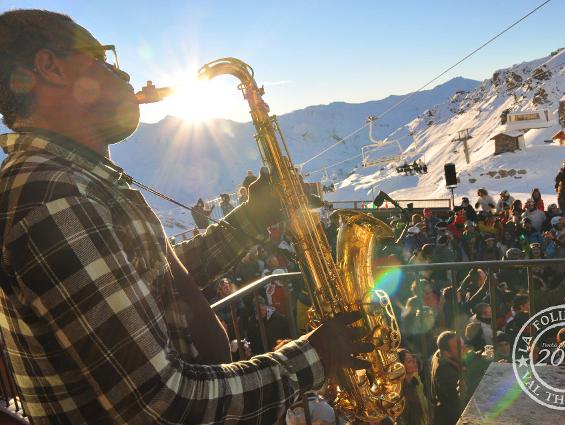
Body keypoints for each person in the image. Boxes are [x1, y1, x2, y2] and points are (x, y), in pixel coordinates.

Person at [0, 10, 371, 424]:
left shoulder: (75, 184)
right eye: (103, 58)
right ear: (50, 67)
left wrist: (251, 218)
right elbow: (161, 403)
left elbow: (153, 281)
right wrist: (314, 357)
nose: (124, 78)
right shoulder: (54, 199)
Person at [430, 331, 463, 425]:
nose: (464, 349)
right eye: (459, 348)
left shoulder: (440, 354)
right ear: (447, 353)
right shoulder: (445, 372)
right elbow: (456, 401)